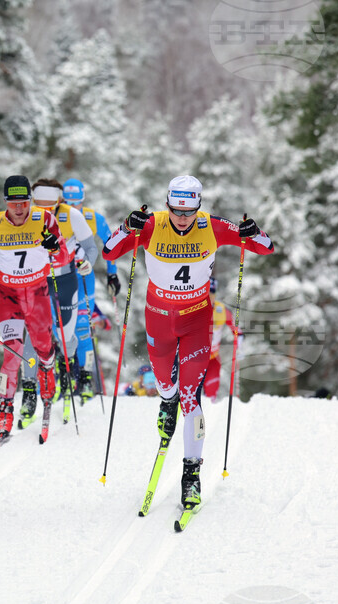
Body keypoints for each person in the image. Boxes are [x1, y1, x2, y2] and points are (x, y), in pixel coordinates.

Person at [102, 175, 274, 511]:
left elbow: (265, 247)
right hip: (158, 316)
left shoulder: (213, 226)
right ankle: (166, 400)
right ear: (168, 205)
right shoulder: (152, 225)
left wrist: (256, 231)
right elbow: (110, 251)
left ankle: (191, 474)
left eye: (189, 211)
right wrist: (127, 226)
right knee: (166, 385)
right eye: (177, 210)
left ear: (198, 206)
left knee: (190, 396)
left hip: (197, 318)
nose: (183, 218)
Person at [0, 175, 70, 444]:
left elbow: (63, 258)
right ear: (5, 202)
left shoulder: (44, 220)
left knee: (43, 347)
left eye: (24, 202)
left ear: (30, 200)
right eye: (14, 202)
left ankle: (48, 376)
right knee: (11, 352)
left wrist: (56, 246)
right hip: (9, 297)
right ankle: (4, 411)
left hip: (38, 294)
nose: (19, 208)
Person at [16, 178, 95, 427]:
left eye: (50, 205)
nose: (45, 210)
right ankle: (29, 394)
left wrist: (86, 263)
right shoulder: (25, 217)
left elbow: (90, 247)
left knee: (65, 335)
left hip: (65, 281)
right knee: (32, 338)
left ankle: (67, 375)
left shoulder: (71, 215)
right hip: (36, 283)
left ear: (59, 201)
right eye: (40, 205)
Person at [64, 178, 120, 399]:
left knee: (82, 328)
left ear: (83, 200)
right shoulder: (55, 216)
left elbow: (111, 245)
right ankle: (62, 374)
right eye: (68, 203)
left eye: (77, 203)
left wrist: (112, 274)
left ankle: (86, 378)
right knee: (58, 327)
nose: (73, 208)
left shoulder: (92, 218)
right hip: (59, 277)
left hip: (83, 278)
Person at [203, 277, 243, 402]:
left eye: (212, 293)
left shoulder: (221, 310)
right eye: (206, 293)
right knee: (191, 395)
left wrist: (239, 341)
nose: (209, 296)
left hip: (213, 359)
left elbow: (237, 329)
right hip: (194, 359)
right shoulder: (193, 308)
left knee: (211, 395)